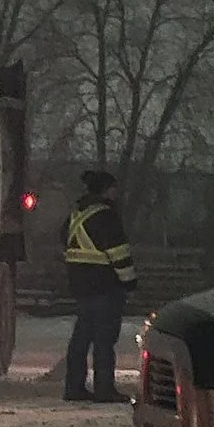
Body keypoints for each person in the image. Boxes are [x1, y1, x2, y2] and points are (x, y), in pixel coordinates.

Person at [62, 168, 138, 402]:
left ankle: (74, 387)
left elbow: (65, 244)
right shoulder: (106, 216)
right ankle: (104, 389)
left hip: (81, 286)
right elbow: (119, 253)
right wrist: (130, 282)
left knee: (82, 337)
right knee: (104, 340)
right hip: (105, 286)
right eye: (114, 188)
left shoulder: (76, 215)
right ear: (107, 190)